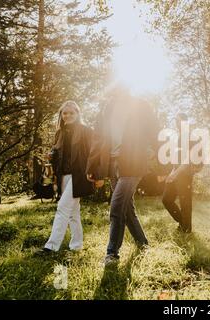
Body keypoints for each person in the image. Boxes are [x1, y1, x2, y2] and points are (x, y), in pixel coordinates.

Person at [85, 87, 160, 265]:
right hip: (112, 164)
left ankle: (112, 253)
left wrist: (154, 152)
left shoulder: (140, 106)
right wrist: (92, 165)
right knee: (127, 208)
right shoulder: (106, 108)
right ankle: (143, 243)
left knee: (117, 206)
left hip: (133, 163)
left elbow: (155, 131)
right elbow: (98, 138)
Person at [40, 101, 95, 253]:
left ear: (77, 114)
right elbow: (58, 155)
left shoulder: (86, 131)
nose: (68, 115)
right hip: (63, 176)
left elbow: (93, 154)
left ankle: (51, 247)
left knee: (62, 208)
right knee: (73, 213)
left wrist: (97, 174)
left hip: (80, 176)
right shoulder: (59, 133)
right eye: (65, 113)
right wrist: (51, 156)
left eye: (71, 113)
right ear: (61, 115)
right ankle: (76, 246)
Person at [162, 113, 201, 233]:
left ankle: (186, 231)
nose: (176, 123)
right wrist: (172, 172)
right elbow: (176, 158)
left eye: (178, 121)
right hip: (176, 172)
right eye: (176, 121)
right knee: (166, 199)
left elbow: (189, 159)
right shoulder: (177, 136)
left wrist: (176, 173)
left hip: (185, 174)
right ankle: (182, 222)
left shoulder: (191, 137)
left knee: (185, 203)